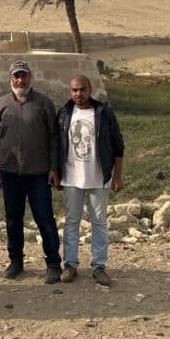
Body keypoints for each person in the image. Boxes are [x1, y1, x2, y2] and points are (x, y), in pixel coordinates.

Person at [0, 60, 62, 283]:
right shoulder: (1, 103)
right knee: (13, 218)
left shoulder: (44, 103)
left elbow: (54, 138)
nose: (20, 80)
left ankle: (53, 263)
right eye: (16, 76)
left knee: (44, 217)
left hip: (39, 172)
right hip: (10, 172)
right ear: (11, 79)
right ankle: (16, 261)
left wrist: (54, 168)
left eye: (23, 76)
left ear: (31, 77)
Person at [54, 75, 125, 287]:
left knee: (99, 222)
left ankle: (99, 266)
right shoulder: (65, 113)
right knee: (71, 221)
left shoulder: (104, 113)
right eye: (74, 90)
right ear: (70, 91)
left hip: (98, 177)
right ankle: (70, 265)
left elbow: (118, 145)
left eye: (82, 89)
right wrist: (55, 172)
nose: (78, 94)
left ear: (90, 89)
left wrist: (117, 176)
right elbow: (56, 144)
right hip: (71, 177)